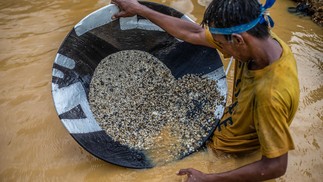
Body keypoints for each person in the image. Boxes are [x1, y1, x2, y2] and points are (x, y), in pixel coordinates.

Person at [111, 0, 300, 181]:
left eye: (222, 45)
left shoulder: (270, 95)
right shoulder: (262, 39)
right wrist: (139, 9)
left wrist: (210, 178)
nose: (224, 53)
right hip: (222, 127)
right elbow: (193, 33)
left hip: (227, 155)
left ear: (238, 40)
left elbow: (275, 166)